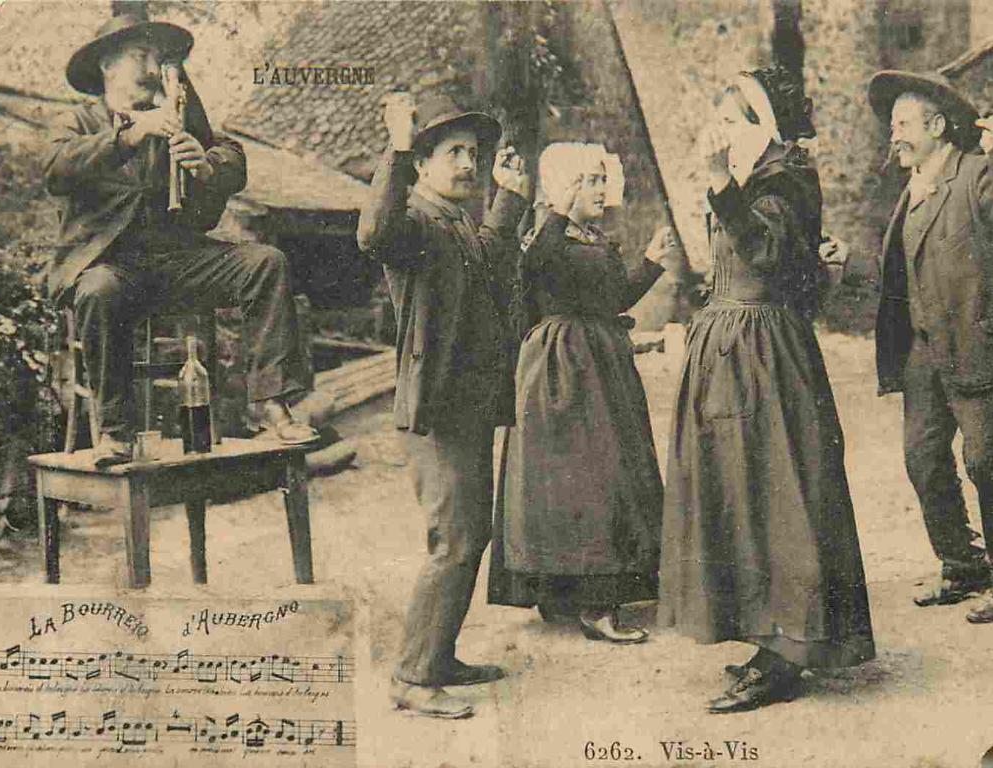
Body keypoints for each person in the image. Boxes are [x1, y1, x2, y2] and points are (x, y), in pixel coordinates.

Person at [658, 66, 875, 714]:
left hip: (764, 357)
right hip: (731, 350)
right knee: (741, 497)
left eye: (732, 117)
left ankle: (787, 650)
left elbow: (767, 255)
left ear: (761, 124)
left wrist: (723, 185)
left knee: (777, 495)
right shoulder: (755, 181)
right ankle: (767, 636)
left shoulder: (785, 179)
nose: (719, 130)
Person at [45, 14, 318, 467]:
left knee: (266, 261)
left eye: (158, 56)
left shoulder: (178, 112)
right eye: (140, 55)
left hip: (179, 262)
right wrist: (132, 134)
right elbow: (56, 167)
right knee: (96, 290)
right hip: (111, 267)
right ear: (107, 65)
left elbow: (231, 153)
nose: (153, 66)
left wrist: (207, 166)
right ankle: (113, 433)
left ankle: (273, 405)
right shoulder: (78, 120)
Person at [357, 90, 531, 719]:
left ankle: (440, 656)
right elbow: (372, 233)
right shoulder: (411, 223)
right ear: (424, 164)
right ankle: (412, 674)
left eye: (475, 154)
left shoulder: (456, 223)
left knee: (470, 533)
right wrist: (397, 148)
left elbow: (489, 259)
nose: (469, 164)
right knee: (454, 538)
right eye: (454, 152)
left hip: (469, 405)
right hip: (434, 408)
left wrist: (508, 197)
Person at [867, 71, 993, 624]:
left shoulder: (977, 174)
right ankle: (960, 564)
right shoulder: (914, 187)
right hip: (925, 351)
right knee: (923, 458)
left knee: (990, 463)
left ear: (938, 127)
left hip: (979, 341)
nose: (893, 135)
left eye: (902, 125)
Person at [487, 142, 675, 644]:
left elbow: (609, 301)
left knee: (604, 473)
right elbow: (536, 272)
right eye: (587, 180)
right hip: (562, 367)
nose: (598, 188)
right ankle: (585, 600)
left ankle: (580, 593)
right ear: (562, 188)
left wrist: (652, 264)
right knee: (581, 477)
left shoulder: (592, 237)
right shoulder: (545, 238)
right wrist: (555, 211)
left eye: (599, 178)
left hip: (599, 361)